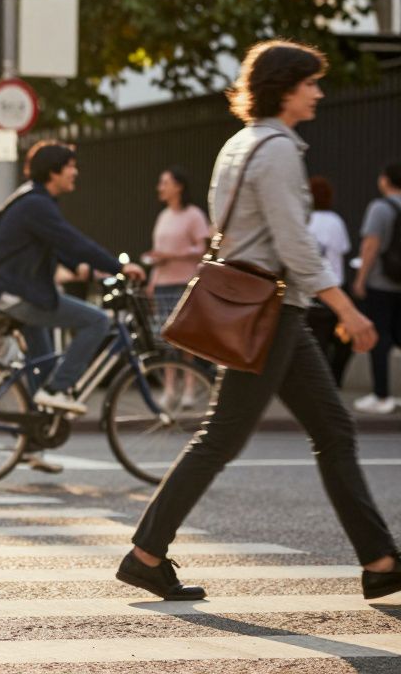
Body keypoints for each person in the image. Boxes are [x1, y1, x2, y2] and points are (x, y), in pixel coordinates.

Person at [118, 40, 399, 603]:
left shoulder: (239, 145)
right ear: (284, 88)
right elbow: (295, 246)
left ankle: (380, 561)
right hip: (270, 312)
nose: (318, 92)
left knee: (331, 430)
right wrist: (348, 311)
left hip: (273, 311)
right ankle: (147, 553)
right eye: (310, 83)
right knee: (223, 436)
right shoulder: (275, 151)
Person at [0, 144, 147, 415]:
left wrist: (81, 268)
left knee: (43, 367)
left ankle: (36, 438)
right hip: (18, 293)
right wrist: (119, 267)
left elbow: (55, 246)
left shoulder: (32, 200)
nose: (75, 172)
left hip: (14, 291)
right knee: (97, 321)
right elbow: (74, 242)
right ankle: (57, 389)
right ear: (53, 171)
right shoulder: (36, 204)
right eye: (70, 166)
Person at [351, 162, 401, 414]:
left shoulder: (380, 208)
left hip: (382, 283)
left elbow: (370, 246)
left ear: (385, 180)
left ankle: (382, 396)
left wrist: (360, 279)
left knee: (379, 339)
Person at [144, 167, 209, 337]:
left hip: (185, 284)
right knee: (163, 336)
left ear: (178, 186)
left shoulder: (194, 215)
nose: (160, 188)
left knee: (186, 336)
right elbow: (159, 252)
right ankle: (169, 365)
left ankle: (187, 365)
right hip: (162, 286)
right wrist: (152, 282)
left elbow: (202, 249)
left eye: (165, 183)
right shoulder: (163, 216)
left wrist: (172, 255)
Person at [306, 175, 354, 386]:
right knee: (343, 339)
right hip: (336, 288)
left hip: (310, 290)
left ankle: (319, 384)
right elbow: (343, 250)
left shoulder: (304, 221)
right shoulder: (336, 221)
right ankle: (334, 380)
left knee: (316, 342)